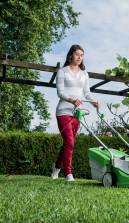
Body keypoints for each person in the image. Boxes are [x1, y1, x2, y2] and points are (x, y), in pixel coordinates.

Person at [50, 44, 100, 181]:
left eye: (82, 55)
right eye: (77, 54)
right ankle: (68, 174)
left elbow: (87, 92)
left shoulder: (84, 74)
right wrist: (72, 100)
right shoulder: (63, 71)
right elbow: (60, 93)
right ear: (71, 55)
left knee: (68, 142)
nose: (79, 57)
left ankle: (57, 167)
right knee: (70, 143)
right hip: (63, 111)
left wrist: (93, 102)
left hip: (77, 113)